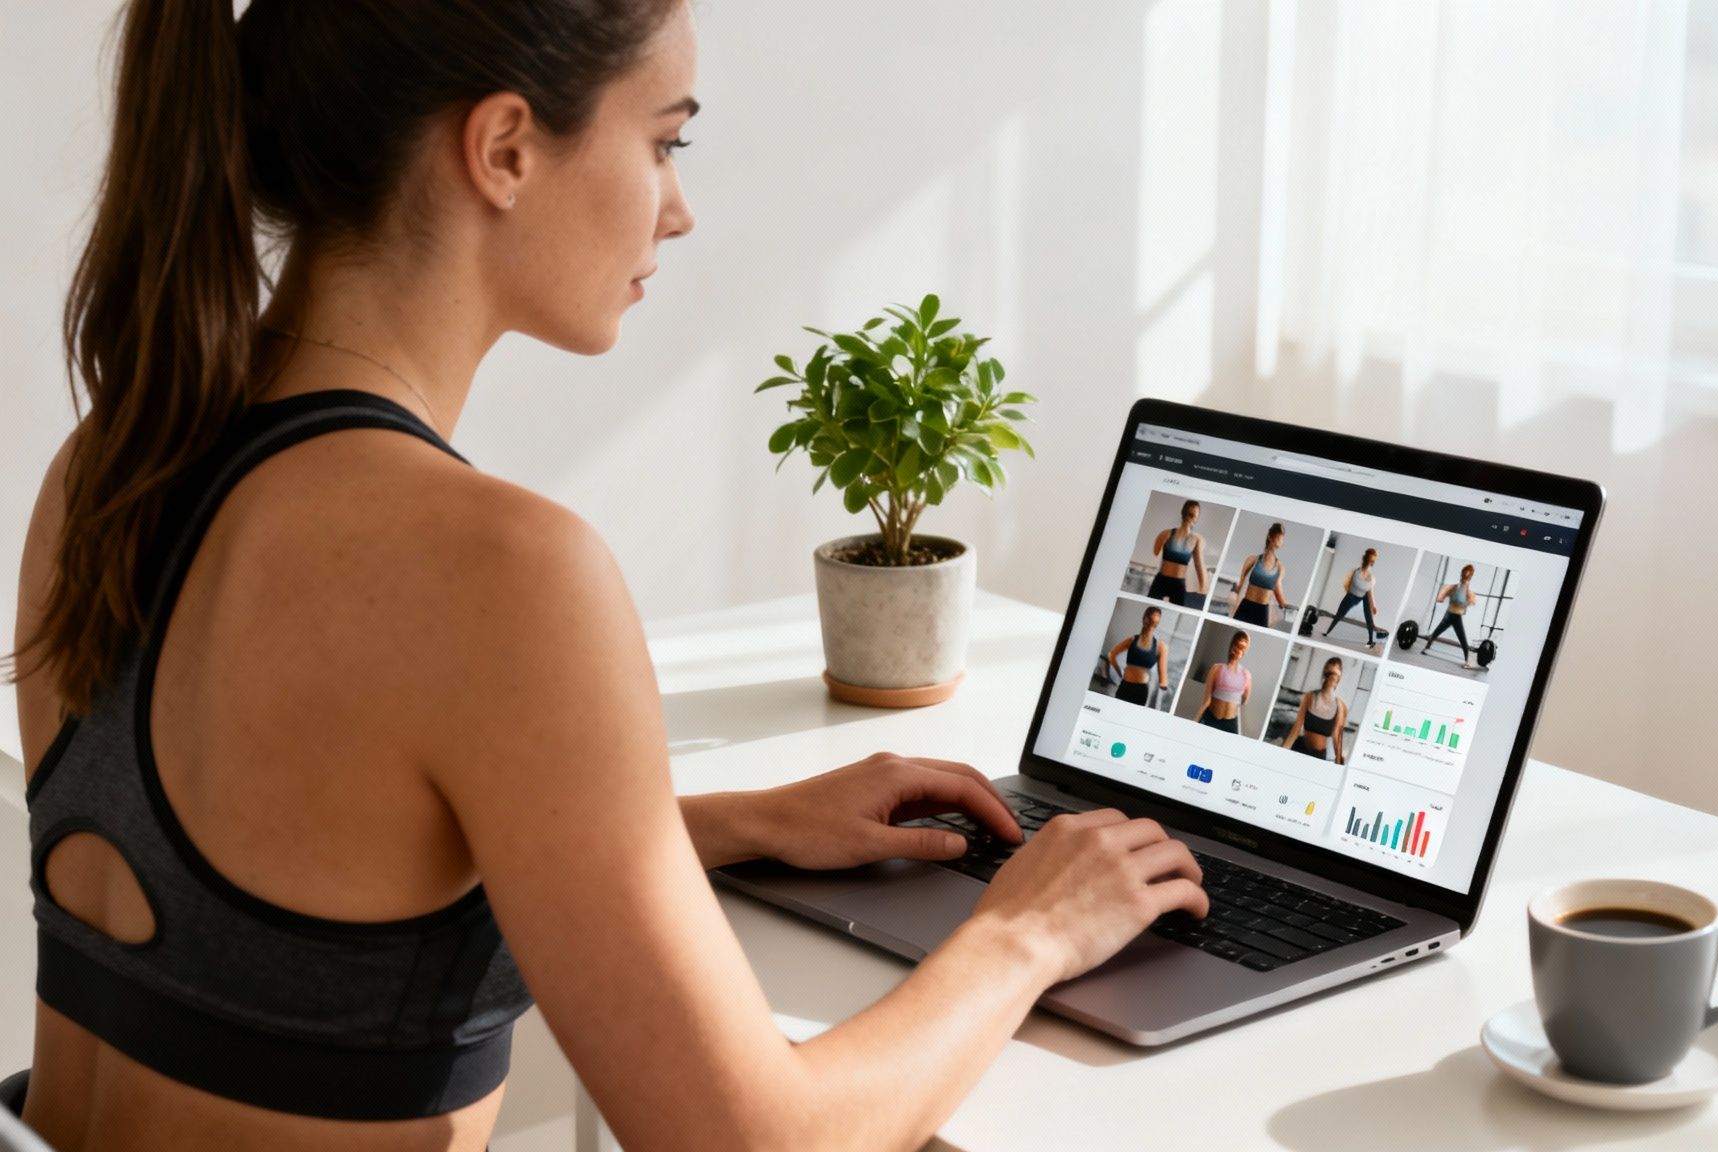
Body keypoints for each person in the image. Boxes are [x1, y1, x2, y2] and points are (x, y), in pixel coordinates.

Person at [5, 3, 1207, 1149]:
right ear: (506, 148)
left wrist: (739, 823)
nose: (677, 210)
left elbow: (308, 887)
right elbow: (752, 1142)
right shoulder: (497, 570)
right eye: (664, 141)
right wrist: (1027, 931)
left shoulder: (109, 466)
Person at [1278, 656, 1348, 762]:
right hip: (1298, 748)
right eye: (1329, 674)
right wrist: (1282, 751)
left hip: (1317, 757)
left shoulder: (1340, 706)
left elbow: (1337, 738)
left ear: (1339, 678)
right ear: (1324, 674)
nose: (1331, 678)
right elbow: (1296, 728)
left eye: (1335, 675)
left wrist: (1339, 763)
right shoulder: (1310, 696)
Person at [1105, 606, 1171, 708]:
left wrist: (1162, 689)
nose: (1151, 623)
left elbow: (1163, 679)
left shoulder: (1160, 646)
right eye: (1150, 619)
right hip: (1124, 686)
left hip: (1140, 691)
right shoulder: (1132, 640)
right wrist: (1119, 673)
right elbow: (1111, 655)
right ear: (1145, 619)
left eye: (1155, 620)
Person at [1147, 500, 1208, 608]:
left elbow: (1199, 564)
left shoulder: (1195, 540)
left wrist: (1202, 586)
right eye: (1190, 513)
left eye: (1193, 514)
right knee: (1150, 605)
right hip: (1161, 579)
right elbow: (1156, 552)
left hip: (1178, 583)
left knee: (1177, 609)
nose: (1191, 516)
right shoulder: (1166, 533)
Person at [1226, 523, 1288, 630]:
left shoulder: (1280, 567)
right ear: (1270, 536)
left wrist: (1289, 608)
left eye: (1281, 539)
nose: (1279, 541)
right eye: (1278, 537)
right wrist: (1232, 598)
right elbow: (1240, 583)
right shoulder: (1252, 560)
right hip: (1246, 606)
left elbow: (1278, 592)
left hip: (1262, 611)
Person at [1321, 547, 1382, 650]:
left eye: (1372, 560)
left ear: (1373, 562)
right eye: (1369, 559)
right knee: (1340, 614)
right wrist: (1350, 592)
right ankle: (1328, 631)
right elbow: (1348, 585)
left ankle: (1371, 640)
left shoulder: (1372, 579)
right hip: (1351, 596)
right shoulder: (1356, 572)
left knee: (1369, 616)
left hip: (1363, 596)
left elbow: (1371, 593)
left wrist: (1374, 606)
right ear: (1365, 558)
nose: (1370, 562)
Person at [1192, 631, 1253, 735]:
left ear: (1245, 651)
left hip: (1230, 723)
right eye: (1237, 646)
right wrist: (1194, 722)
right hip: (1211, 718)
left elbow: (1244, 701)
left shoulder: (1246, 675)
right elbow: (1206, 701)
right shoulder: (1216, 668)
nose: (1239, 650)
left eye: (1243, 648)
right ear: (1232, 645)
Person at [1423, 562, 1480, 670]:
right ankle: (1427, 647)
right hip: (1448, 615)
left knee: (1463, 639)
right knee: (1436, 632)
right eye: (1463, 576)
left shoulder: (1468, 592)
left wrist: (1468, 602)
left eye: (1466, 577)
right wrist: (1441, 597)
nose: (1464, 579)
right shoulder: (1454, 587)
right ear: (1461, 575)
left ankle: (1467, 660)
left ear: (1469, 578)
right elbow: (1443, 595)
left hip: (1457, 617)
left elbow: (1472, 601)